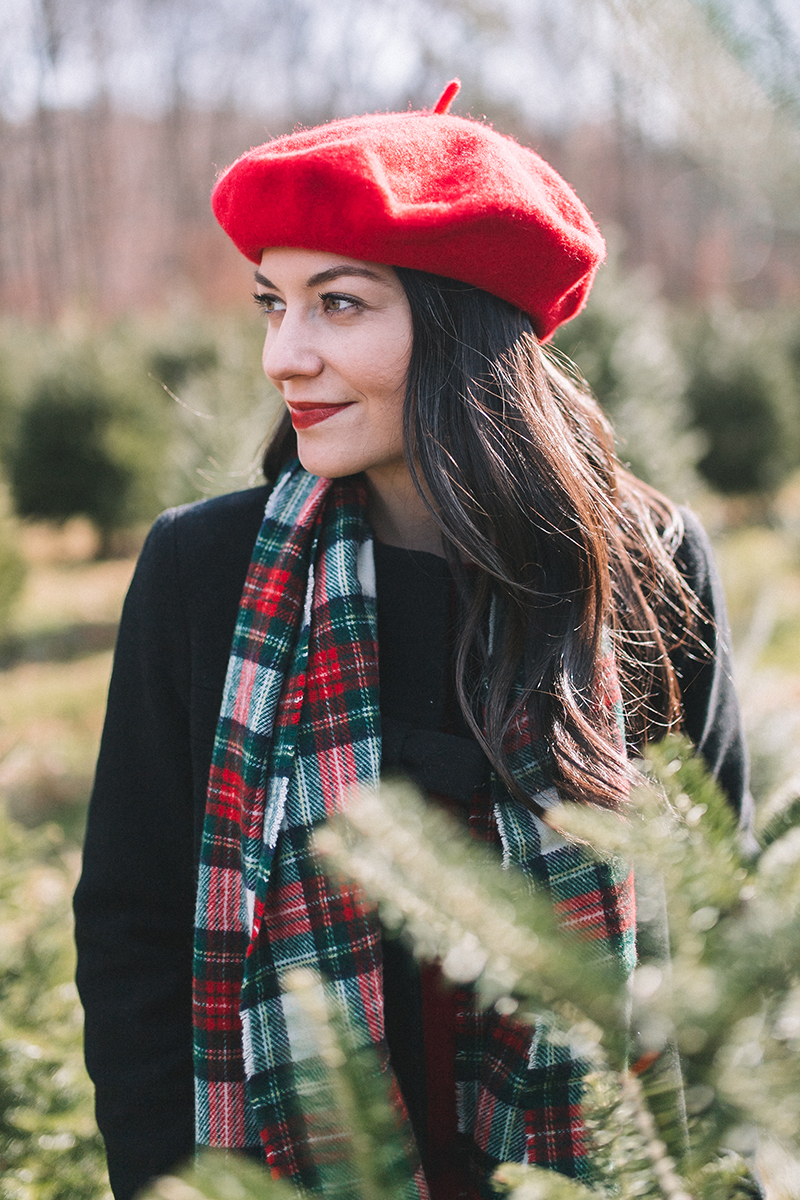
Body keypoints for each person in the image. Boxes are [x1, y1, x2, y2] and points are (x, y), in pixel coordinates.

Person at [73, 81, 753, 1200]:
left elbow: (720, 915)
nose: (282, 356)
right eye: (271, 304)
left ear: (460, 326)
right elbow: (134, 931)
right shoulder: (202, 574)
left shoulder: (643, 564)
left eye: (337, 305)